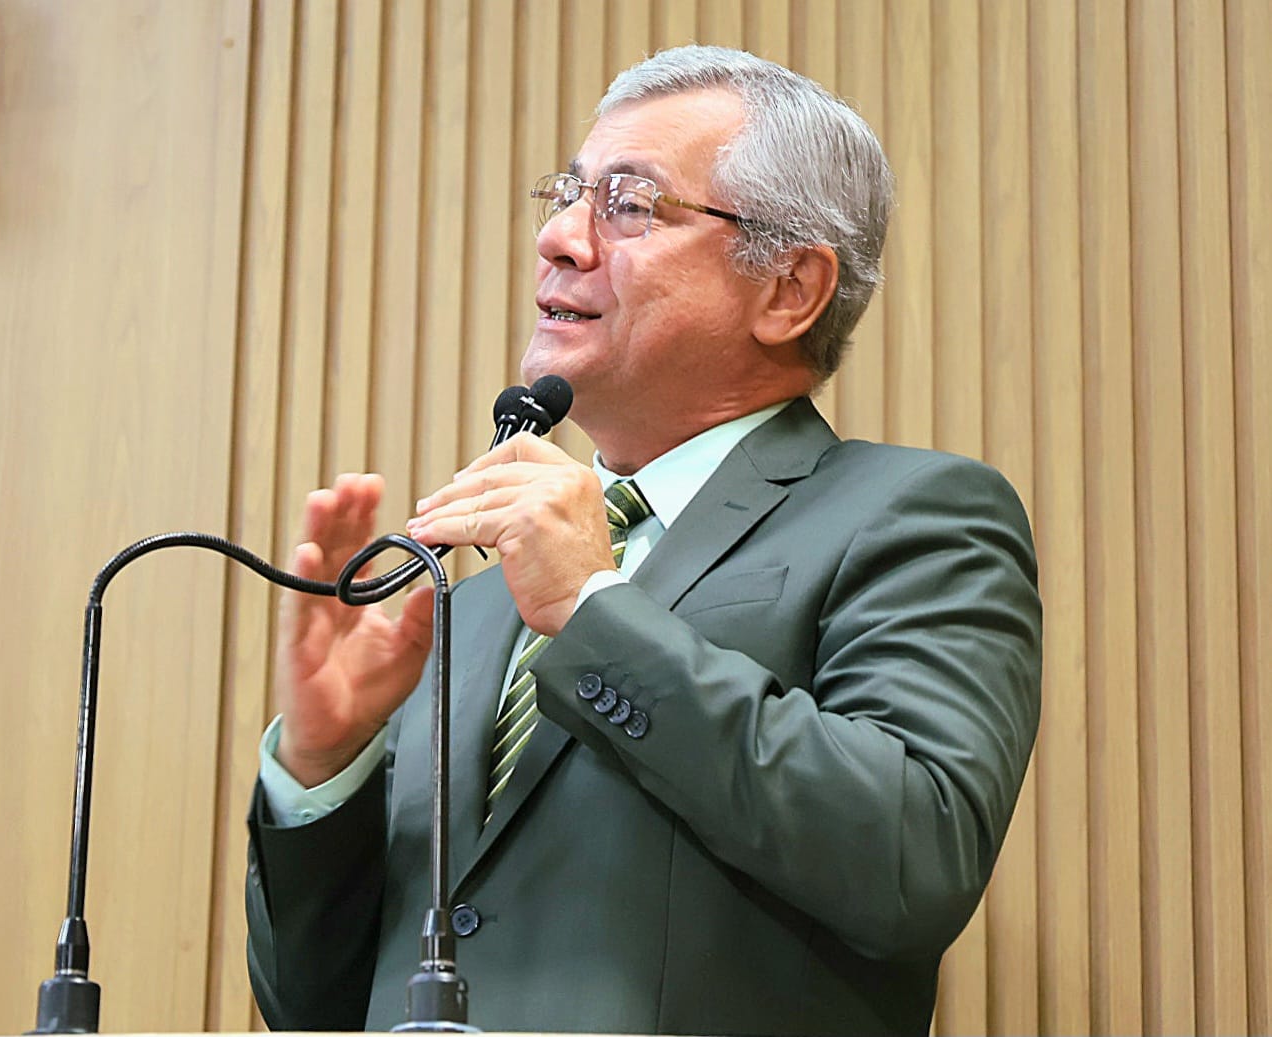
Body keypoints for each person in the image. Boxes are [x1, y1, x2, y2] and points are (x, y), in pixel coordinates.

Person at [244, 45, 1041, 1036]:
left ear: (788, 288)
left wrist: (592, 608)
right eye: (567, 194)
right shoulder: (470, 604)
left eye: (627, 204)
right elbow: (313, 1005)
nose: (557, 237)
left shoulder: (912, 515)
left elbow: (911, 859)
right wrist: (323, 765)